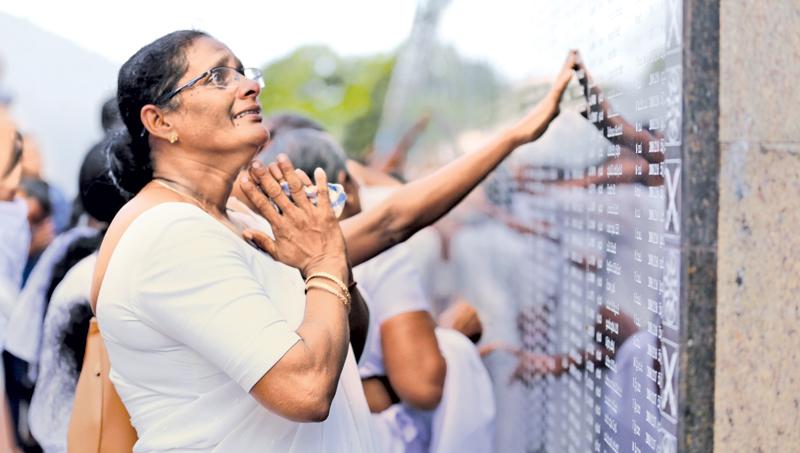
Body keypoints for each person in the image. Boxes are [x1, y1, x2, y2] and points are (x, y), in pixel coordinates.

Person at [94, 29, 576, 452]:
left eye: (244, 71)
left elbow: (390, 225)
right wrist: (323, 259)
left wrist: (515, 136)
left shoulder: (230, 219)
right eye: (218, 77)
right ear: (160, 122)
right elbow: (304, 390)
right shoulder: (171, 234)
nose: (250, 86)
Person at [259, 128, 495, 453]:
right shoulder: (382, 254)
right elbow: (422, 386)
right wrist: (450, 342)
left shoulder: (258, 248)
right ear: (345, 184)